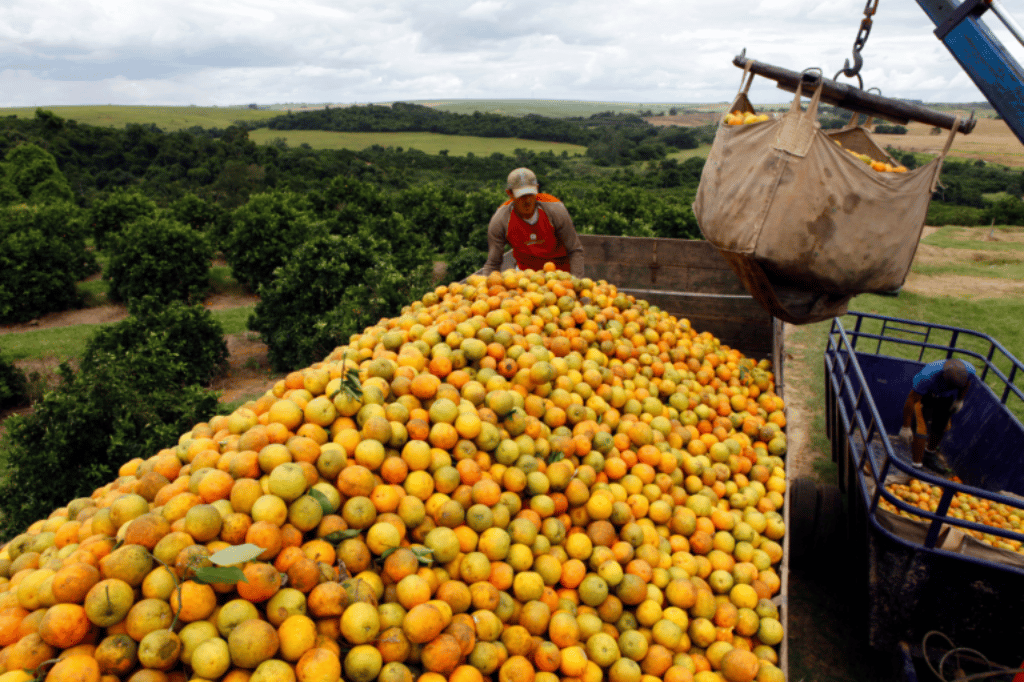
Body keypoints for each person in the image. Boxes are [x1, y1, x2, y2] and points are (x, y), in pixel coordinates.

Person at [482, 167, 584, 277]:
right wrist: (485, 287)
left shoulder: (554, 209)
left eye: (530, 193)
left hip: (559, 275)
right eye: (522, 195)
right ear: (510, 194)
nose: (528, 200)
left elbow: (575, 250)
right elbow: (493, 263)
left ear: (537, 188)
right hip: (525, 277)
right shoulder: (501, 219)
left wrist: (575, 282)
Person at [899, 358, 975, 472]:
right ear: (944, 377)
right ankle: (916, 466)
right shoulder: (927, 376)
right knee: (921, 430)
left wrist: (959, 400)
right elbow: (911, 400)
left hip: (947, 397)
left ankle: (929, 455)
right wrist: (906, 427)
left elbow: (967, 382)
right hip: (926, 395)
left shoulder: (969, 371)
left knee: (941, 426)